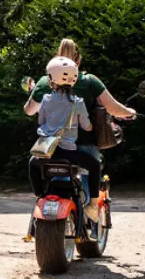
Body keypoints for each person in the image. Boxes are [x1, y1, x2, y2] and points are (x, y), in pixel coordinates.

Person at [24, 39, 135, 204]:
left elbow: (30, 111)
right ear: (79, 59)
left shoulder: (44, 84)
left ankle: (42, 198)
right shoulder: (89, 82)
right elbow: (112, 108)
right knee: (90, 176)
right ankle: (91, 209)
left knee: (53, 178)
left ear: (56, 58)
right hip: (83, 146)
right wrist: (129, 112)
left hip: (50, 147)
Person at [29, 55, 99, 199]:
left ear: (51, 79)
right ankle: (92, 203)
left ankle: (41, 196)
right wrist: (93, 127)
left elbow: (41, 122)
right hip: (69, 153)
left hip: (47, 153)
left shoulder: (45, 100)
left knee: (32, 163)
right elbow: (86, 126)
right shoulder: (77, 102)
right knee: (95, 165)